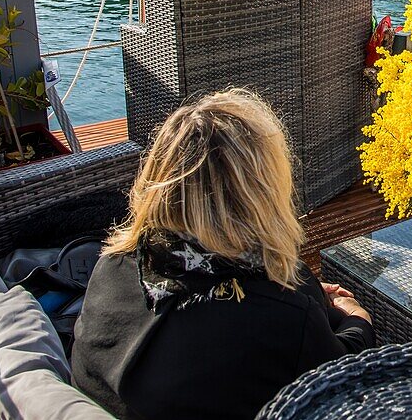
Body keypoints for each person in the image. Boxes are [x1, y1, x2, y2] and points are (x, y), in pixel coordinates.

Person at [72, 89, 374, 419]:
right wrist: (358, 318)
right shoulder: (280, 319)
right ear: (264, 193)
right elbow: (347, 374)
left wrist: (306, 298)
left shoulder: (113, 267)